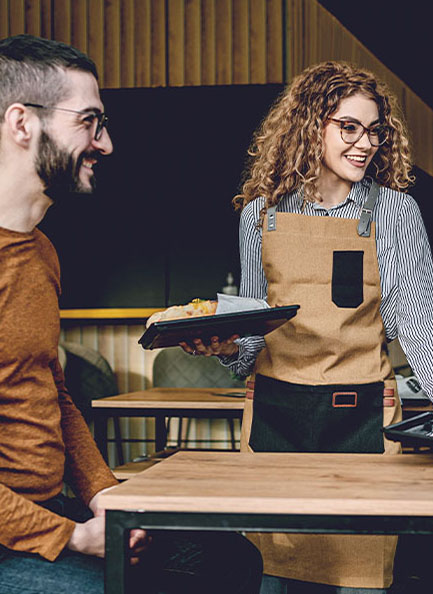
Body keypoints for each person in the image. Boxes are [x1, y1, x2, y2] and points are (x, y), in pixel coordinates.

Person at [184, 61, 433, 593]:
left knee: (360, 576)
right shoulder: (259, 215)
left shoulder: (394, 212)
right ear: (311, 126)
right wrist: (226, 346)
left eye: (374, 130)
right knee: (273, 576)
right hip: (274, 419)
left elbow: (421, 319)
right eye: (349, 127)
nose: (366, 144)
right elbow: (252, 336)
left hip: (360, 420)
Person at [0, 34, 262, 593]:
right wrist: (70, 538)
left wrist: (106, 496)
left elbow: (52, 392)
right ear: (23, 123)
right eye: (90, 122)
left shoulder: (39, 252)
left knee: (228, 560)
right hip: (13, 535)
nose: (107, 143)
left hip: (51, 510)